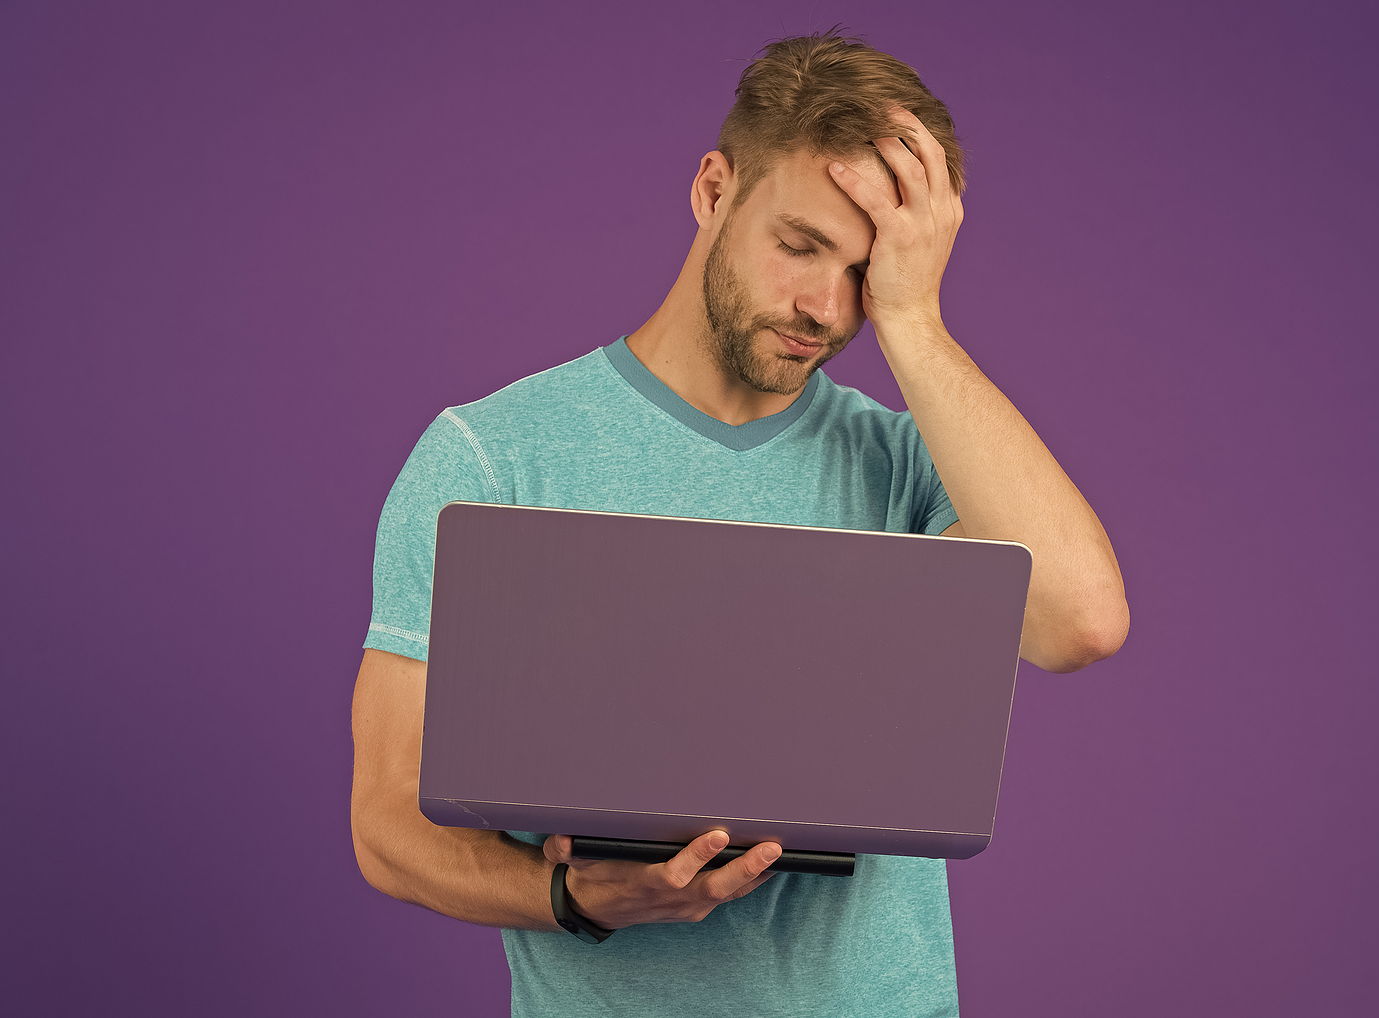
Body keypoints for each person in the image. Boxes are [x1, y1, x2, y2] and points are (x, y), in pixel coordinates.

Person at [349, 27, 1129, 1018]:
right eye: (800, 246)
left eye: (863, 274)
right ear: (713, 191)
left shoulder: (911, 465)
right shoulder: (490, 458)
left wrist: (916, 323)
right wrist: (570, 898)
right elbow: (384, 817)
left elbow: (1080, 621)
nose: (823, 307)